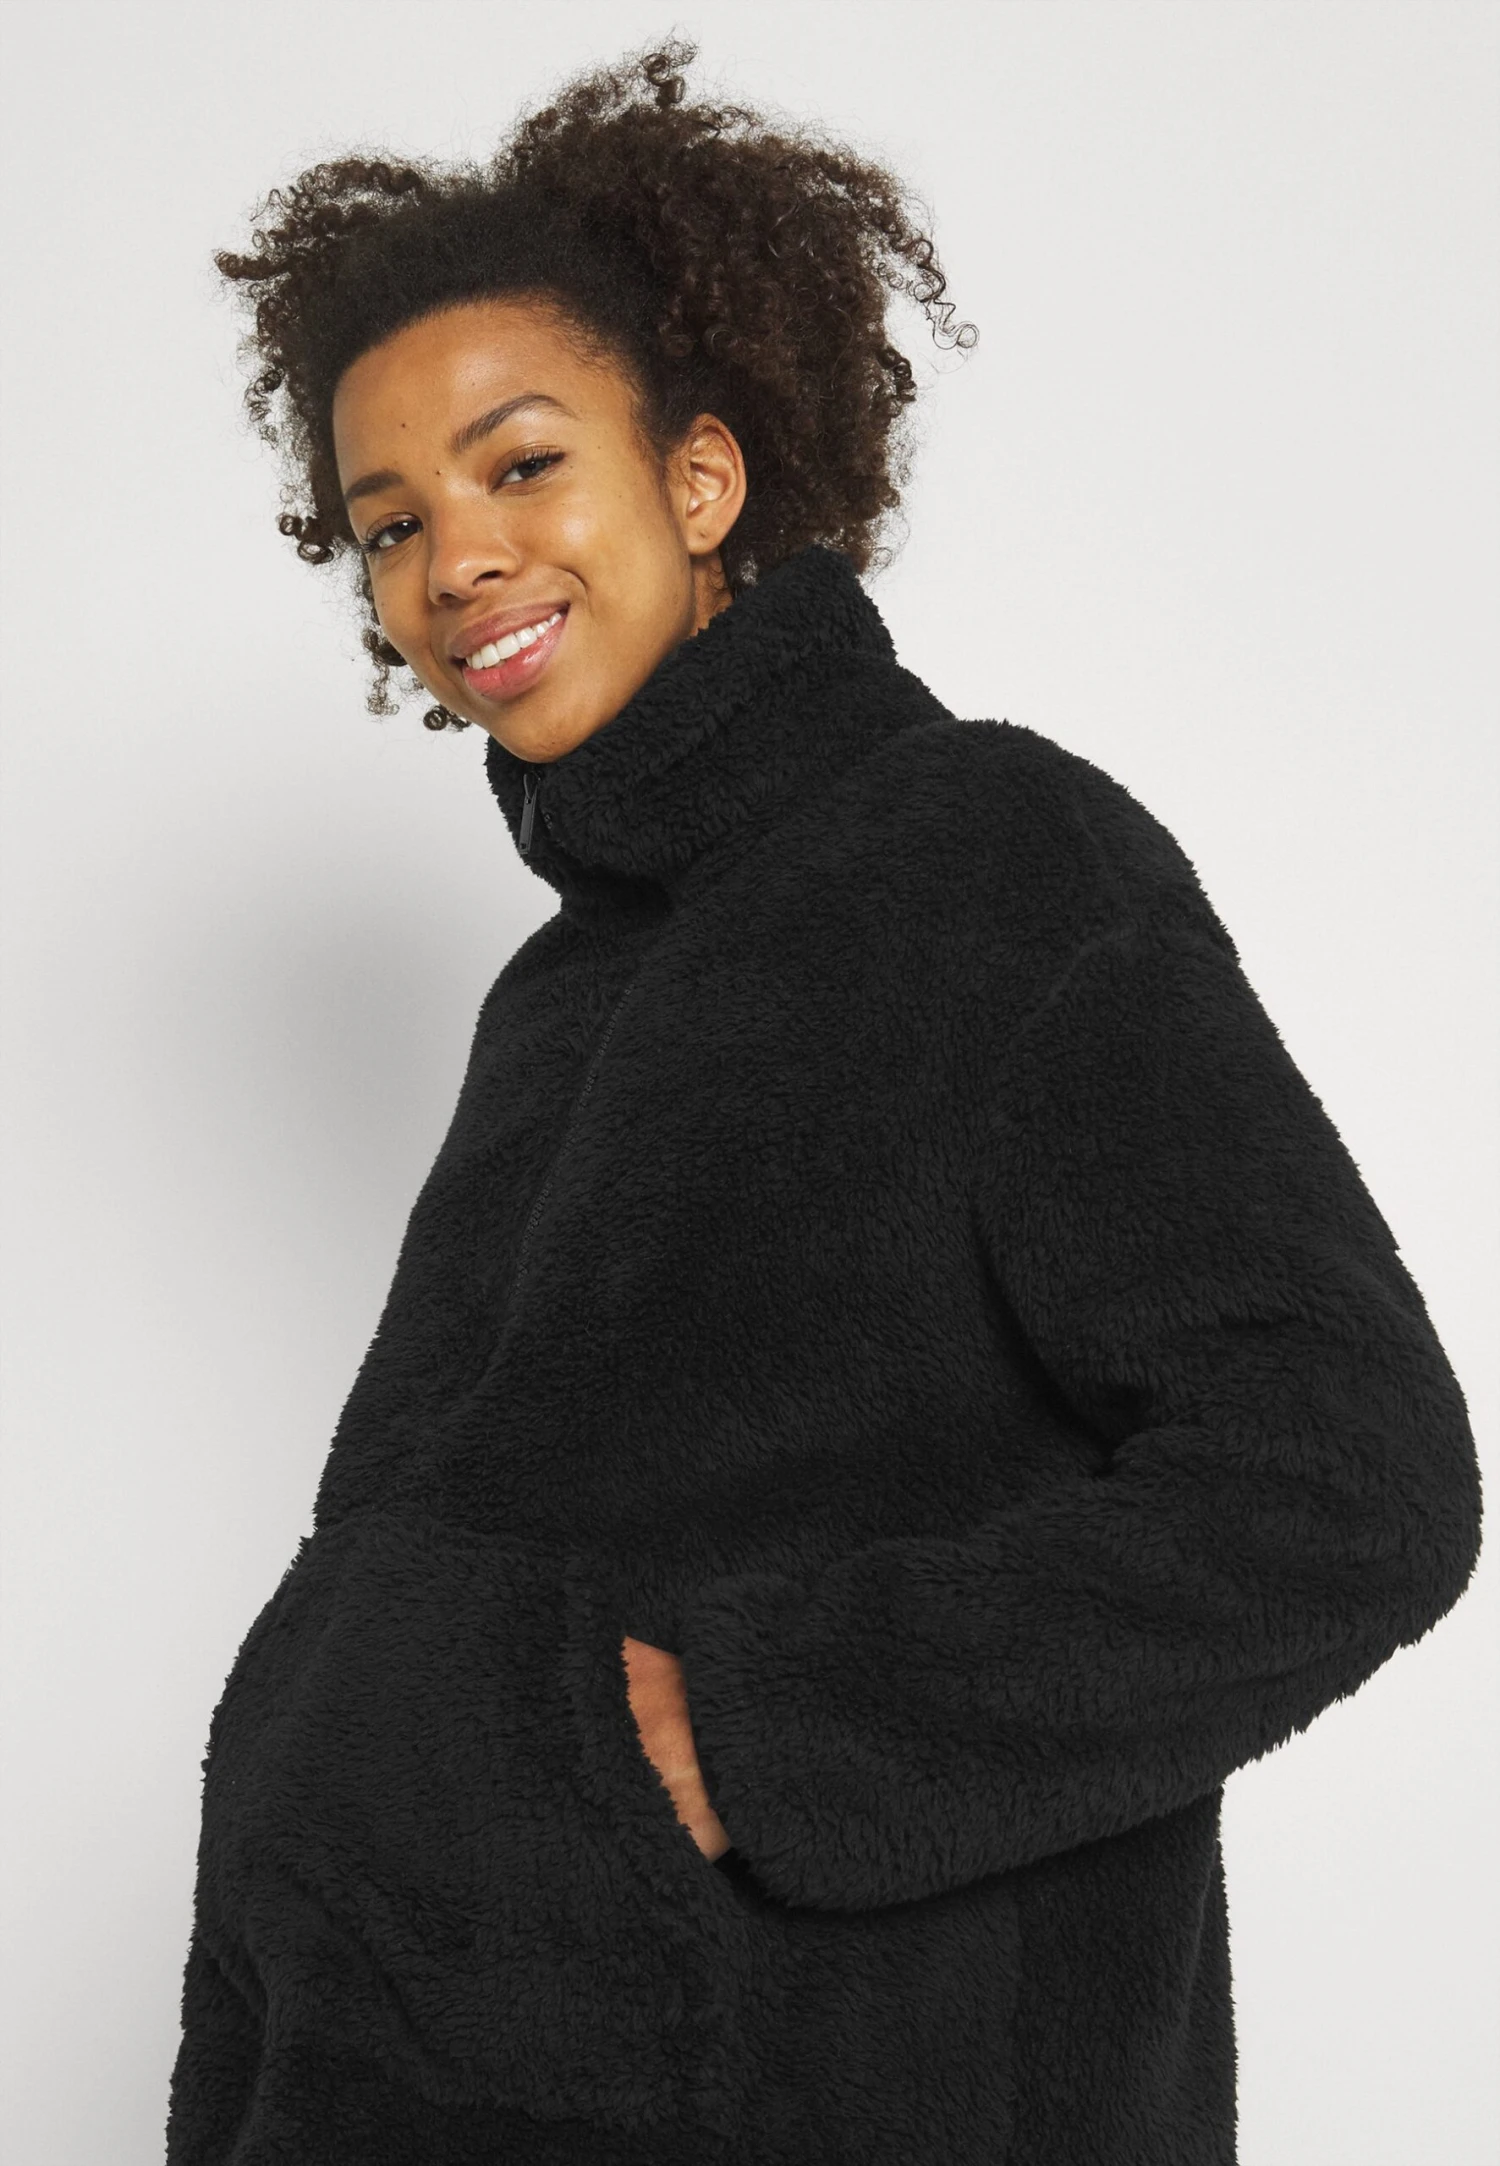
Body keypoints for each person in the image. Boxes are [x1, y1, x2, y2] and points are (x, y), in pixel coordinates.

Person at [165, 37, 1483, 2166]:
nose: (456, 562)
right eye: (392, 526)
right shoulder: (560, 996)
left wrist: (770, 1732)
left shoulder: (991, 857)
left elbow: (1351, 1481)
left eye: (521, 466)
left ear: (699, 480)